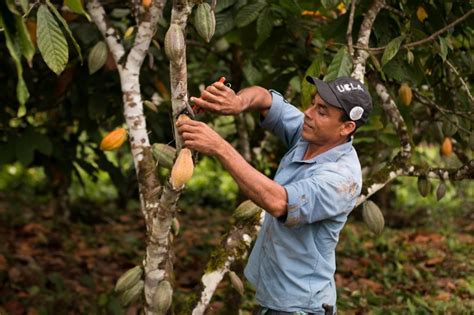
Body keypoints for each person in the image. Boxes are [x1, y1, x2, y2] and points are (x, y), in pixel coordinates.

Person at [176, 76, 373, 314]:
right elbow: (265, 98)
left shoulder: (341, 179)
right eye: (313, 103)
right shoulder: (310, 134)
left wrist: (220, 147)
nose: (308, 113)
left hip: (300, 306)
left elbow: (279, 202)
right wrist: (238, 102)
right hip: (275, 298)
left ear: (346, 127)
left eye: (322, 111)